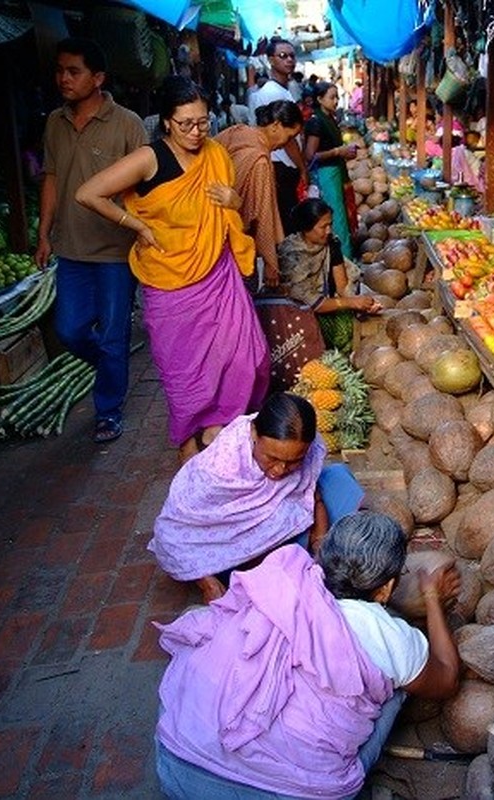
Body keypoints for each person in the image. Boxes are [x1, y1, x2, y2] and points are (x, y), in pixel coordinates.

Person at [154, 511, 462, 799]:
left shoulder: (281, 581)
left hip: (176, 765)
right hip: (286, 793)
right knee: (397, 687)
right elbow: (447, 680)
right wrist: (433, 598)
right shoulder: (390, 636)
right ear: (385, 589)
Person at [75, 76, 270, 464]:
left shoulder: (216, 154)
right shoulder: (150, 158)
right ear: (166, 121)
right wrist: (139, 226)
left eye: (203, 121)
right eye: (186, 124)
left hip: (218, 273)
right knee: (183, 372)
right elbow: (88, 193)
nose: (197, 132)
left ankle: (222, 430)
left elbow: (232, 216)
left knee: (247, 357)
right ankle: (188, 444)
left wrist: (234, 200)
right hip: (168, 283)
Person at [34, 38, 147, 445]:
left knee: (115, 333)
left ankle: (108, 410)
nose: (63, 78)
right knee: (70, 330)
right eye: (60, 70)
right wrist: (44, 232)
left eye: (73, 71)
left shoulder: (128, 124)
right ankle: (111, 366)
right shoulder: (54, 122)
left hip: (116, 251)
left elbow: (143, 188)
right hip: (71, 249)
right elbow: (51, 177)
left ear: (98, 78)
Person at [150, 392, 327, 602]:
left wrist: (320, 539)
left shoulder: (310, 447)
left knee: (341, 482)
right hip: (217, 552)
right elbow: (172, 533)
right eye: (272, 458)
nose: (280, 470)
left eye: (294, 461)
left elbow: (311, 493)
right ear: (253, 433)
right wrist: (207, 582)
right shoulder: (220, 468)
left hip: (269, 532)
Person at [215, 100, 303, 289]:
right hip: (236, 242)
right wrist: (271, 262)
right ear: (276, 125)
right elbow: (262, 215)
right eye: (289, 137)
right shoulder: (260, 161)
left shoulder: (238, 131)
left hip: (211, 233)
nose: (285, 145)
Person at [278, 199, 380, 352]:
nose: (329, 230)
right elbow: (310, 302)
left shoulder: (331, 243)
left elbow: (342, 287)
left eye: (330, 224)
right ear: (306, 229)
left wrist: (361, 304)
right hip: (297, 313)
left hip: (326, 303)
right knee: (339, 335)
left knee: (349, 329)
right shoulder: (292, 255)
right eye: (323, 226)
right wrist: (351, 303)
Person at [247, 38, 309, 233]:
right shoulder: (272, 93)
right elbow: (287, 139)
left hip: (282, 166)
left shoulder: (283, 90)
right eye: (283, 56)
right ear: (271, 60)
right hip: (279, 166)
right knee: (284, 224)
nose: (289, 60)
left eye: (292, 55)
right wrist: (302, 168)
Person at [302, 82, 359, 259]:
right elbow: (310, 155)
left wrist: (343, 153)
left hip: (335, 172)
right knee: (337, 220)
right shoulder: (316, 122)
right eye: (331, 97)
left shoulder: (329, 118)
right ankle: (343, 261)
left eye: (337, 97)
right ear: (319, 99)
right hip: (326, 175)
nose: (336, 101)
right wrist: (338, 151)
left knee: (341, 217)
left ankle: (343, 258)